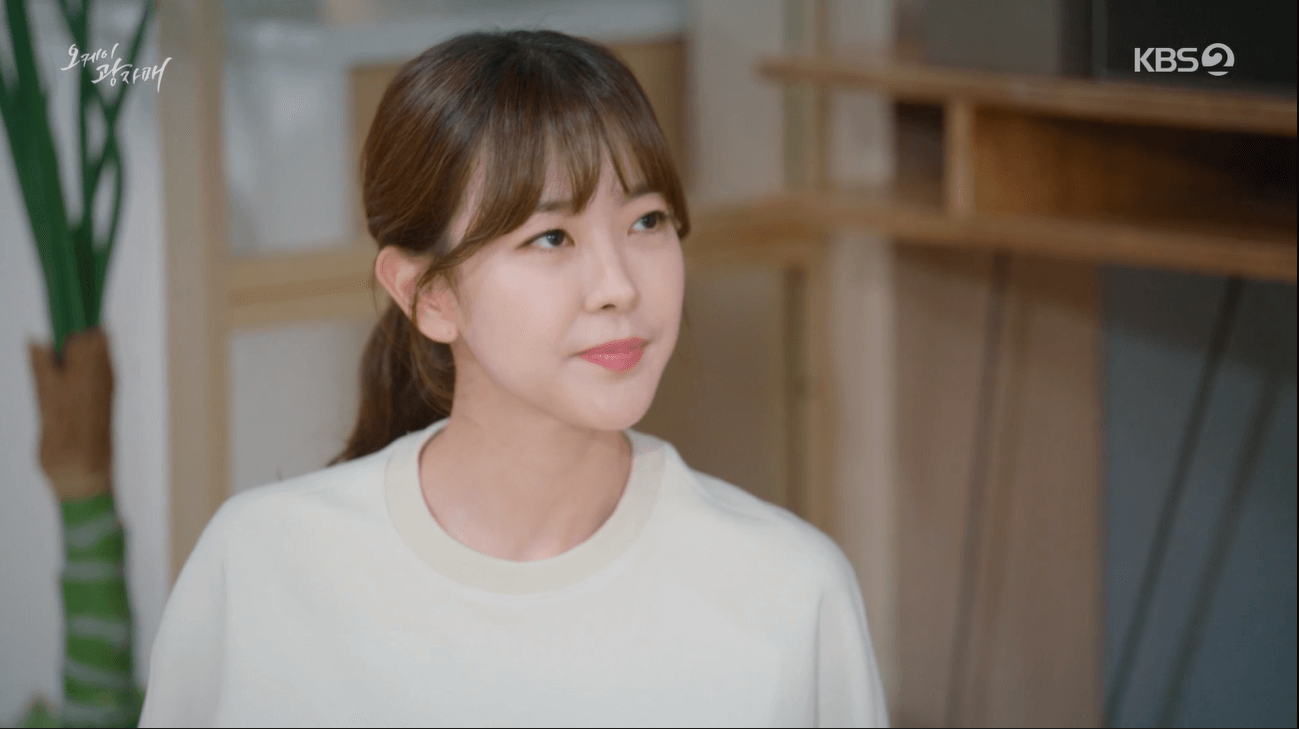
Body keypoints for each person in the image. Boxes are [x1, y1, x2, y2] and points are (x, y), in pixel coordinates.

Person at [139, 29, 888, 727]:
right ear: (429, 295)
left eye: (647, 221)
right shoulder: (261, 570)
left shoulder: (789, 594)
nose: (618, 286)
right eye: (551, 236)